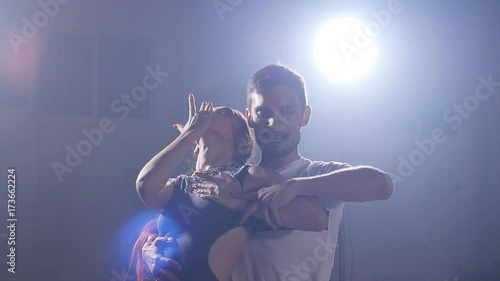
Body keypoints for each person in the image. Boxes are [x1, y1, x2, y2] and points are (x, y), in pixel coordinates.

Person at [139, 64, 394, 281]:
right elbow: (185, 227)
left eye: (288, 111)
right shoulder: (234, 180)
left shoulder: (316, 172)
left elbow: (381, 185)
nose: (275, 123)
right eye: (264, 113)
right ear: (250, 117)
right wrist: (149, 250)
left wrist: (295, 187)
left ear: (305, 115)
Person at [132, 95, 330, 281]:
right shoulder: (179, 185)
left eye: (224, 112)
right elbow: (145, 186)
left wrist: (240, 202)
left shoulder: (248, 177)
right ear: (195, 146)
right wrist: (190, 134)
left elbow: (317, 218)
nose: (209, 113)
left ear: (243, 142)